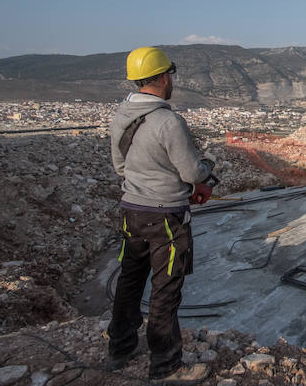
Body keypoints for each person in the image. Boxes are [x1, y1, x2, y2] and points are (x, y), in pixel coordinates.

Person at [106, 46, 216, 384]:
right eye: (171, 75)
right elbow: (191, 171)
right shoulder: (168, 121)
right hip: (165, 218)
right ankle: (166, 365)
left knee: (129, 280)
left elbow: (121, 166)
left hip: (131, 212)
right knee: (165, 289)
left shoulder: (121, 116)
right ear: (164, 76)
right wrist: (207, 173)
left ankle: (120, 348)